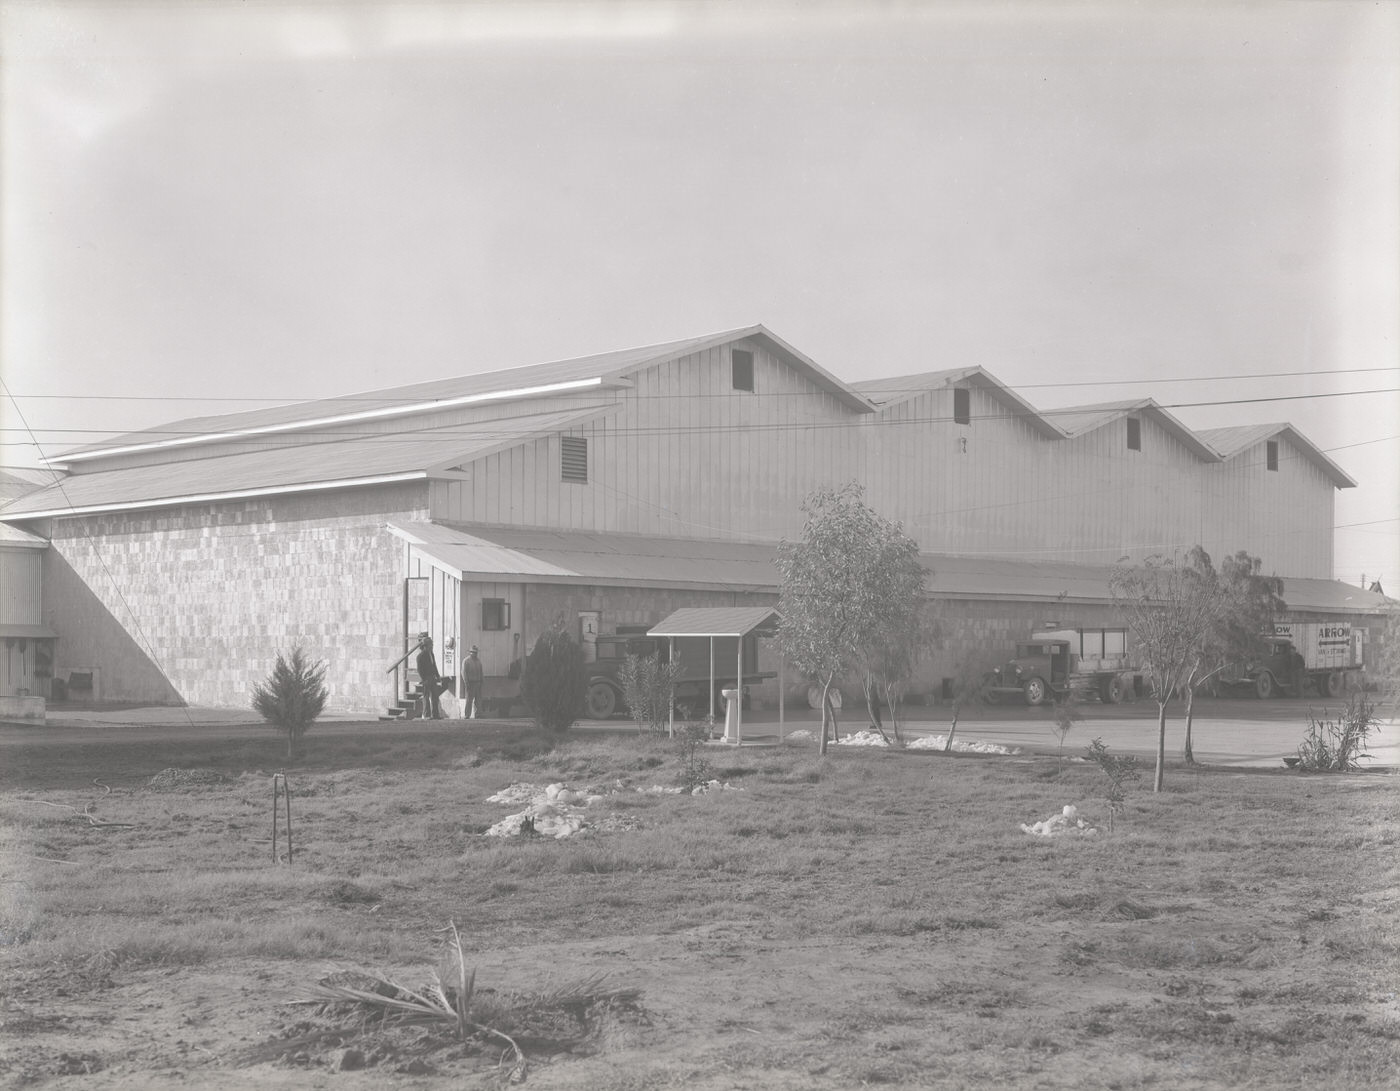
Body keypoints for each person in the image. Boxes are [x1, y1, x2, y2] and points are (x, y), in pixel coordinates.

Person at [414, 633, 448, 719]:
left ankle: (435, 715)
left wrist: (438, 676)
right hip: (426, 678)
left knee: (435, 697)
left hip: (433, 677)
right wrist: (424, 678)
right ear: (425, 646)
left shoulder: (431, 654)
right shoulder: (420, 656)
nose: (432, 646)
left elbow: (434, 665)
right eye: (430, 645)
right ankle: (427, 715)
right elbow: (419, 669)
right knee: (426, 697)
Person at [462, 645, 485, 719]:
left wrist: (482, 681)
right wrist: (466, 683)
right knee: (469, 700)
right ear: (470, 652)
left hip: (478, 682)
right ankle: (467, 715)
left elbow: (481, 672)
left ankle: (478, 714)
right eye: (473, 652)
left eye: (476, 652)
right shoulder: (466, 661)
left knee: (478, 700)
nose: (475, 654)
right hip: (470, 683)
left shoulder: (478, 661)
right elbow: (464, 673)